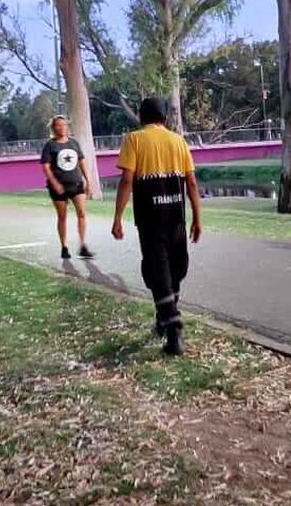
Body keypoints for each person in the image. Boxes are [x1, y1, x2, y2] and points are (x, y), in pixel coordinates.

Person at [112, 98, 202, 356]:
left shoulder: (134, 140)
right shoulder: (179, 141)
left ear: (141, 118)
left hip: (150, 220)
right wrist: (197, 218)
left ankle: (173, 329)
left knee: (157, 272)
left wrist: (117, 217)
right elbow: (192, 184)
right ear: (165, 118)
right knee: (173, 271)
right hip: (176, 219)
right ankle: (164, 319)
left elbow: (127, 180)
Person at [40, 116, 94, 259]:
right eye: (58, 125)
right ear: (53, 128)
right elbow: (46, 167)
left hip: (76, 183)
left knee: (81, 213)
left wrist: (89, 180)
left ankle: (83, 245)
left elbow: (82, 162)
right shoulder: (50, 145)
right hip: (59, 186)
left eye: (64, 125)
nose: (62, 127)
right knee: (62, 216)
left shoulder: (74, 143)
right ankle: (64, 246)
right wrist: (55, 183)